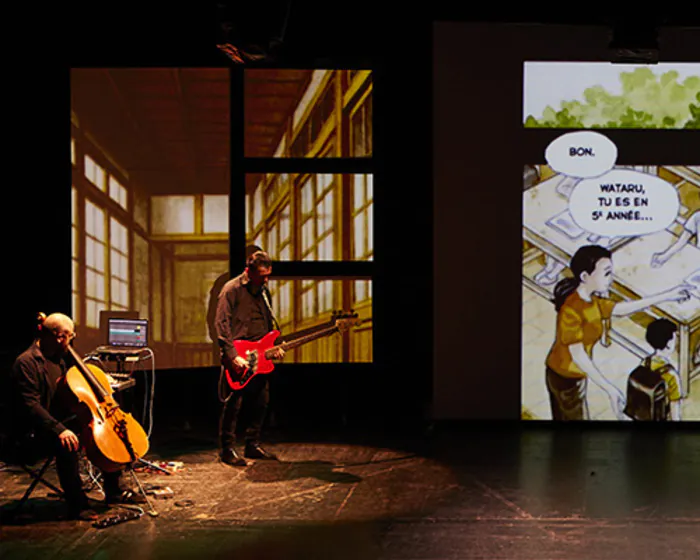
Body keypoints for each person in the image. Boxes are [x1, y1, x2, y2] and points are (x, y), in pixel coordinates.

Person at [7, 313, 144, 520]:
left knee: (108, 435)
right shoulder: (26, 363)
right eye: (70, 336)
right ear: (60, 336)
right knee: (68, 443)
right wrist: (60, 430)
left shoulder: (59, 358)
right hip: (32, 432)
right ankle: (77, 504)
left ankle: (115, 491)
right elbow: (30, 406)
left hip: (57, 422)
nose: (71, 341)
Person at [545, 245, 691, 421]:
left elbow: (622, 309)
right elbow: (578, 356)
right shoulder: (571, 311)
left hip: (575, 376)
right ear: (585, 276)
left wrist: (667, 296)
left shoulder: (592, 301)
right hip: (564, 377)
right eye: (606, 273)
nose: (611, 278)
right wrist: (609, 389)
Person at [215, 250, 285, 466]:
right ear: (249, 271)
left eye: (268, 275)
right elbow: (221, 324)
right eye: (262, 275)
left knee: (261, 402)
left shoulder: (264, 292)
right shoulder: (231, 290)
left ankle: (252, 444)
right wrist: (232, 356)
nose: (266, 279)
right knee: (234, 404)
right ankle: (227, 449)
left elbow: (268, 326)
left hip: (260, 355)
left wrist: (274, 348)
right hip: (239, 355)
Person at [628, 318, 684, 421]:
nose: (676, 340)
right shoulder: (671, 375)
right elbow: (675, 411)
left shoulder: (645, 362)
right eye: (675, 337)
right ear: (668, 344)